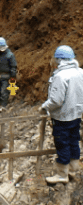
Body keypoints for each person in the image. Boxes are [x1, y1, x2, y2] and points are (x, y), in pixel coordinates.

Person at [40, 45, 83, 184]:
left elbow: (56, 100)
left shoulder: (60, 76)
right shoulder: (80, 72)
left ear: (59, 59)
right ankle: (73, 169)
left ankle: (61, 175)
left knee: (62, 144)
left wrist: (44, 107)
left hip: (62, 117)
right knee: (73, 141)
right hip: (76, 114)